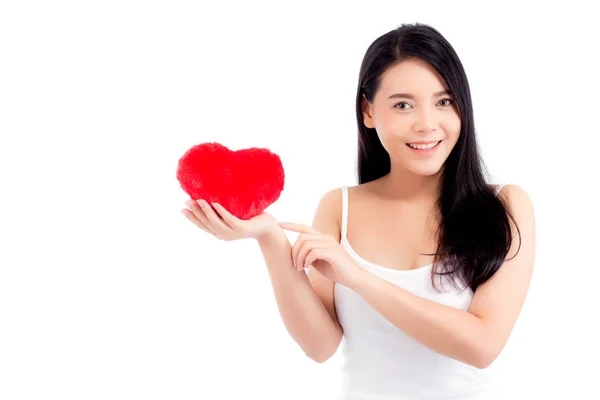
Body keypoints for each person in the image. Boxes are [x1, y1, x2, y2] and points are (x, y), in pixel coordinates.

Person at [181, 22, 536, 400]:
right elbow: (320, 346)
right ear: (368, 111)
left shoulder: (506, 206)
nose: (427, 124)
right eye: (403, 104)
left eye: (444, 101)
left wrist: (359, 278)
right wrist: (270, 238)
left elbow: (481, 346)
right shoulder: (340, 206)